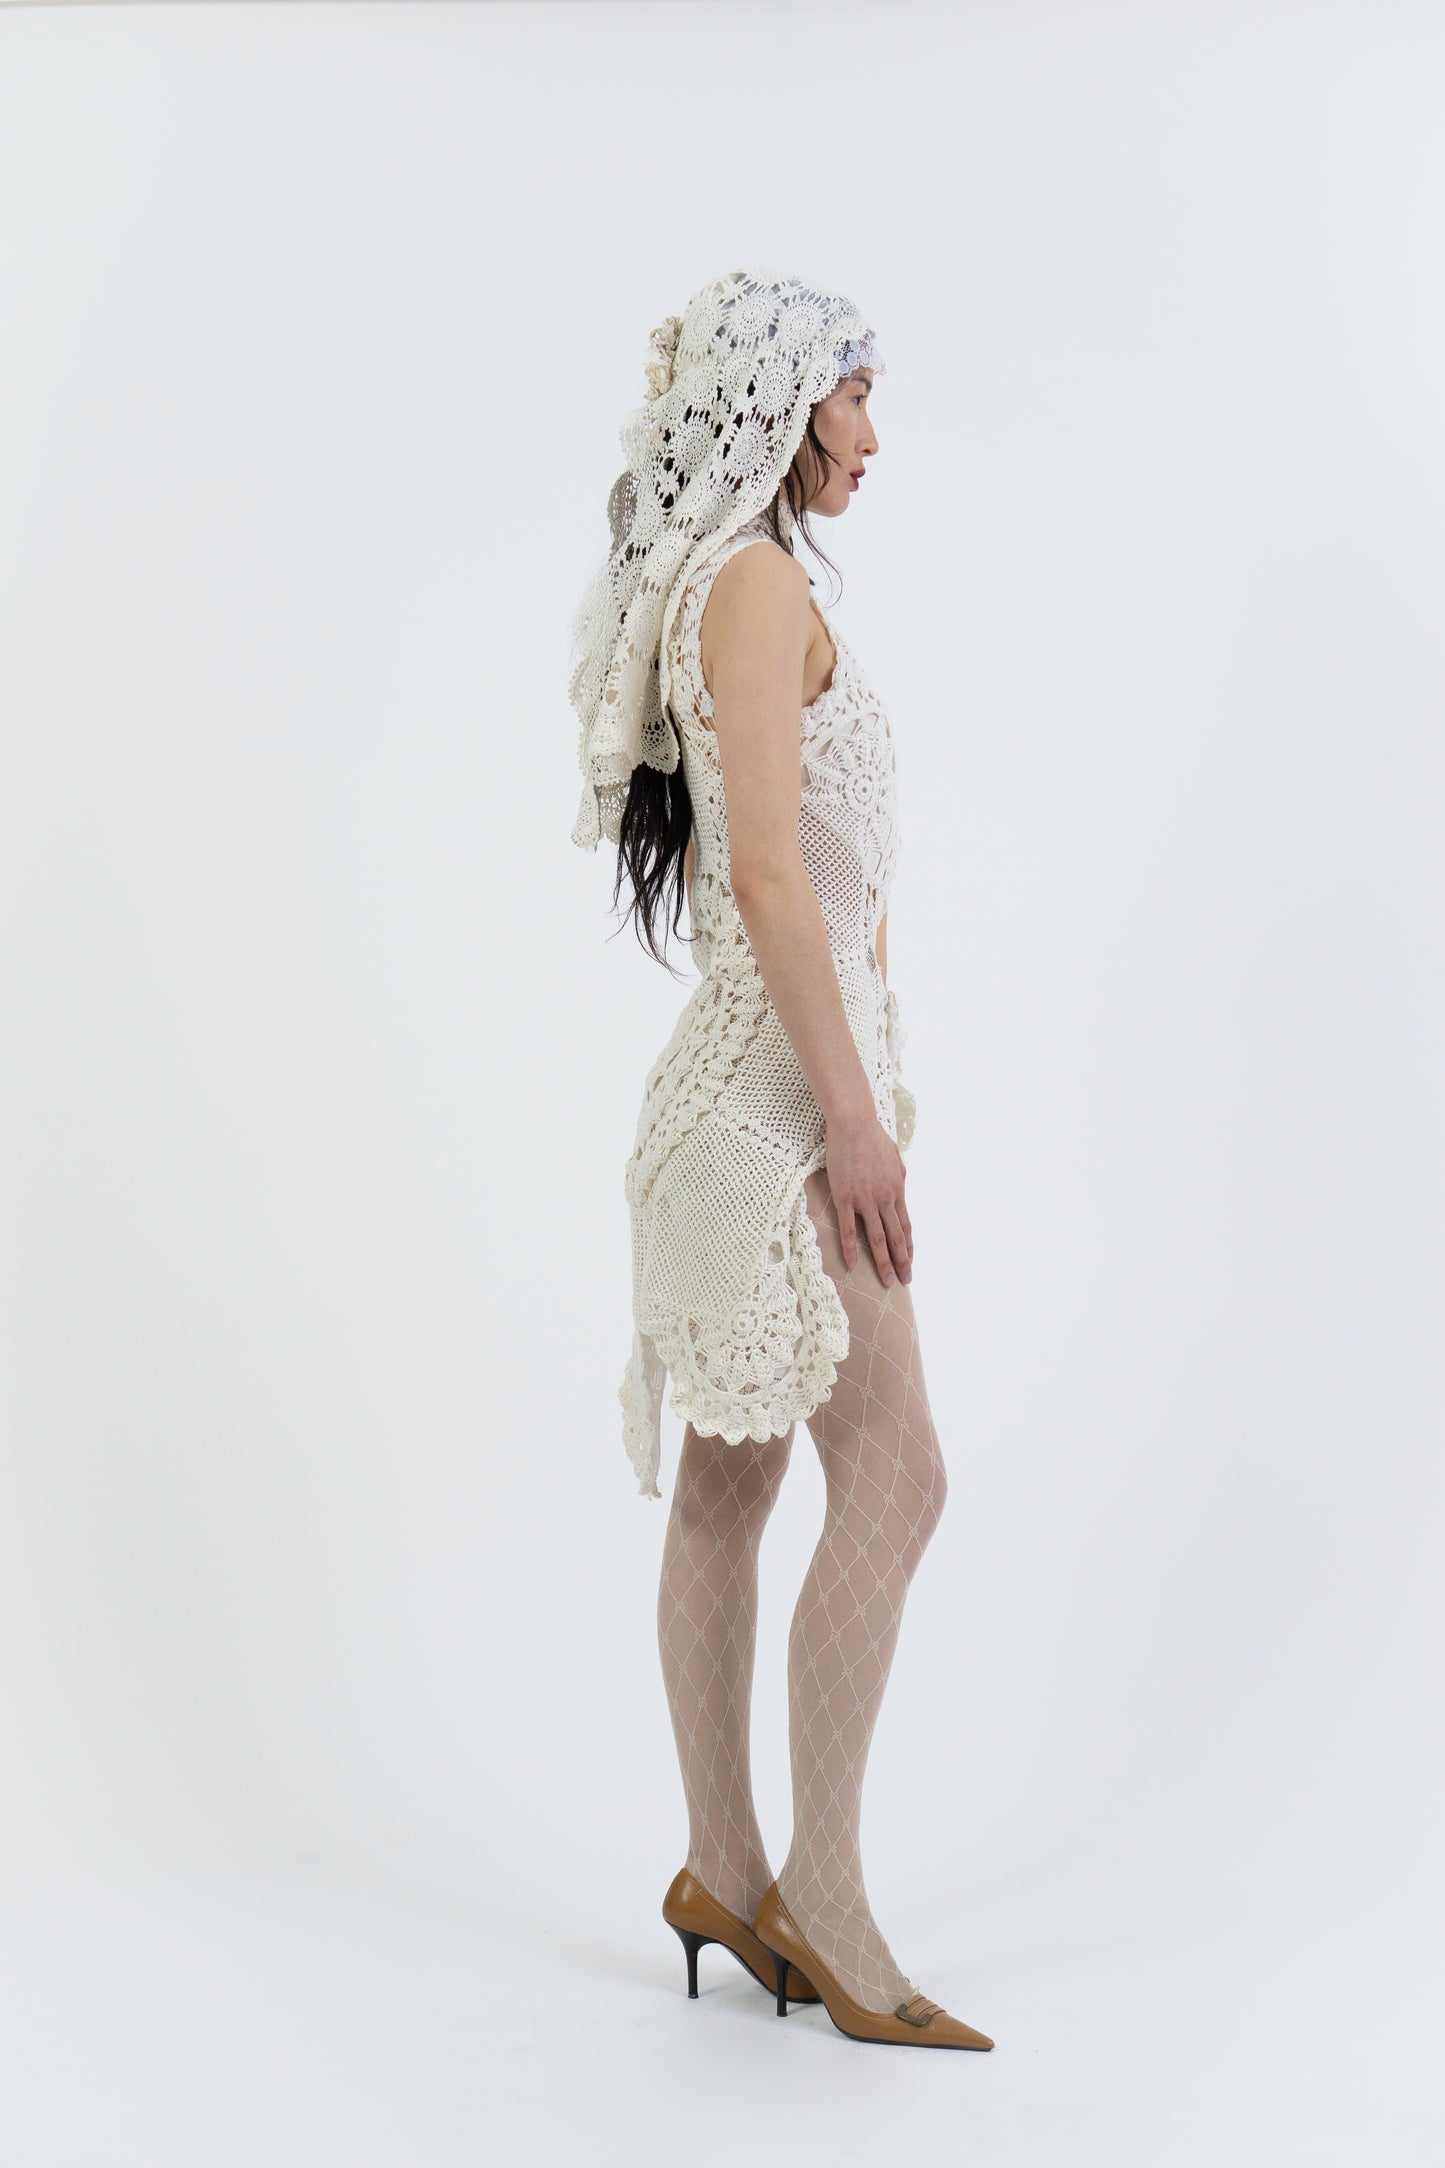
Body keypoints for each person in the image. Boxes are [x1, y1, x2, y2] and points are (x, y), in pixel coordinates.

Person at [568, 267, 993, 2052]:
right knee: (897, 1478)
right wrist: (850, 1119)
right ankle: (819, 1897)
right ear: (778, 401)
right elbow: (763, 876)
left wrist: (871, 1085)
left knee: (734, 1501)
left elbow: (827, 882)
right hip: (765, 1125)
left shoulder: (736, 584)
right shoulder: (750, 587)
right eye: (855, 395)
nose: (872, 435)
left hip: (747, 1109)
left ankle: (723, 1874)